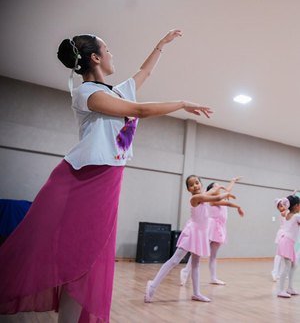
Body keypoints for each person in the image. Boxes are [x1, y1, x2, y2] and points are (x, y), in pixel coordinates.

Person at [0, 30, 213, 322]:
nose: (113, 55)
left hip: (107, 179)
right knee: (75, 251)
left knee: (90, 258)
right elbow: (138, 109)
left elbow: (144, 73)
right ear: (96, 58)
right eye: (108, 50)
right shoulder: (86, 93)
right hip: (83, 179)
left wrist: (160, 46)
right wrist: (181, 103)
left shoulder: (114, 91)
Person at [144, 175, 235, 303]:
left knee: (196, 264)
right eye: (191, 185)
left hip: (201, 234)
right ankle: (152, 286)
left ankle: (196, 293)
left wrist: (220, 187)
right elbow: (215, 196)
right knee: (174, 260)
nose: (195, 186)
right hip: (192, 232)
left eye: (197, 183)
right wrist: (225, 193)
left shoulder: (202, 194)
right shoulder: (196, 198)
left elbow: (210, 192)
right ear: (188, 189)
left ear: (201, 184)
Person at [180, 177, 244, 286]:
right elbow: (226, 203)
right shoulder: (212, 200)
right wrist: (238, 206)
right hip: (211, 227)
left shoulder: (218, 197)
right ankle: (186, 271)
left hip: (220, 228)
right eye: (215, 186)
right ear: (211, 189)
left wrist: (232, 180)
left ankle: (213, 278)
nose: (218, 187)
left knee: (213, 255)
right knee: (197, 251)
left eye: (219, 186)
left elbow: (227, 191)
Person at [276, 195, 300, 298]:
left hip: (287, 242)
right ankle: (280, 290)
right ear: (296, 206)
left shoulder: (288, 214)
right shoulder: (296, 216)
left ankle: (290, 288)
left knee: (294, 265)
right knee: (287, 266)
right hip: (287, 242)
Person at [271, 197, 289, 282]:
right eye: (280, 206)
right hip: (282, 234)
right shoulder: (283, 213)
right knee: (279, 255)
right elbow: (287, 212)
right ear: (278, 208)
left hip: (288, 235)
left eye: (283, 205)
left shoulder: (287, 211)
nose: (282, 206)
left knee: (284, 256)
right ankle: (274, 273)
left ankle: (280, 273)